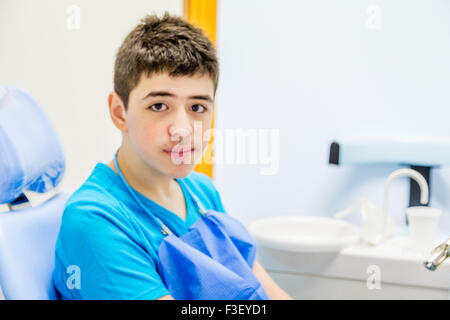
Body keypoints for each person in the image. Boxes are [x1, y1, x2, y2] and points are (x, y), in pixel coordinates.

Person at [52, 12, 292, 300]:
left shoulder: (202, 191)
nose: (183, 130)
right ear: (120, 112)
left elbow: (260, 281)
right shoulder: (95, 219)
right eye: (159, 106)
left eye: (198, 108)